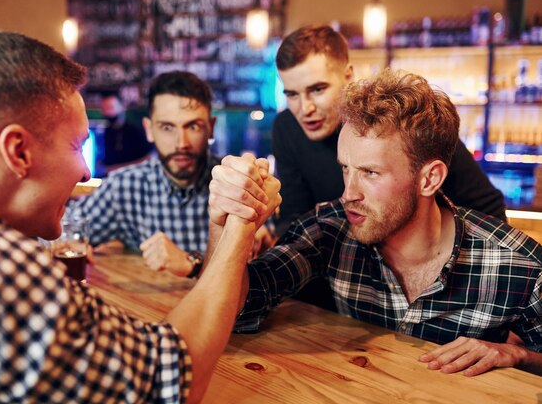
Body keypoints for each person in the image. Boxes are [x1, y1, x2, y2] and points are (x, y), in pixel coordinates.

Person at [0, 28, 280, 403]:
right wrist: (243, 219)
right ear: (18, 151)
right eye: (78, 145)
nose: (85, 172)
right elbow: (166, 381)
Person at [207, 69, 542, 377]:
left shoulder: (519, 265)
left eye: (370, 173)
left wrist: (516, 354)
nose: (349, 192)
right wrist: (226, 222)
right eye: (345, 169)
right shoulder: (330, 229)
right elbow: (230, 312)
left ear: (429, 179)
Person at [271, 24, 507, 309]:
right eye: (292, 94)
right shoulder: (286, 128)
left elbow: (487, 209)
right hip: (341, 288)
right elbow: (294, 216)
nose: (304, 108)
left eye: (317, 89)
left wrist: (478, 303)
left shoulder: (403, 127)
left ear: (348, 75)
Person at [70, 71, 274, 278]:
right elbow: (65, 229)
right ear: (149, 129)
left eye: (193, 126)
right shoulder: (125, 186)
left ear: (211, 128)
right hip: (150, 307)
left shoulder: (236, 185)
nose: (181, 143)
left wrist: (192, 263)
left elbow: (264, 265)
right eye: (167, 127)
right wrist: (74, 243)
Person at [99, 93, 153, 169]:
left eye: (110, 108)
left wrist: (118, 168)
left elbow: (150, 157)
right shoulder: (107, 132)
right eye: (103, 109)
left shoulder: (135, 130)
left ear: (121, 107)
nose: (107, 112)